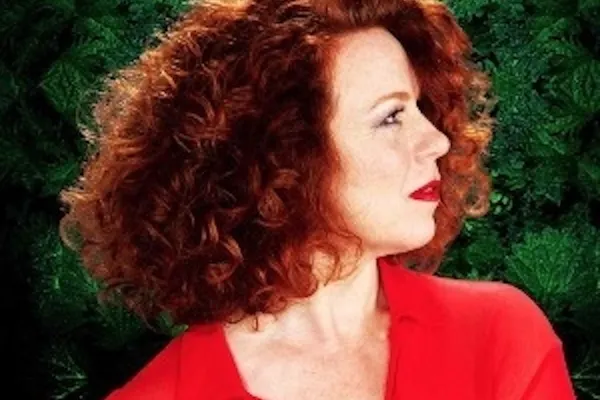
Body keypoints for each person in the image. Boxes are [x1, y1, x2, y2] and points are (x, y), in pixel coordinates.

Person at [57, 0, 577, 398]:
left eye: (420, 108)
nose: (438, 141)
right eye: (391, 116)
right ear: (284, 152)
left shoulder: (500, 337)